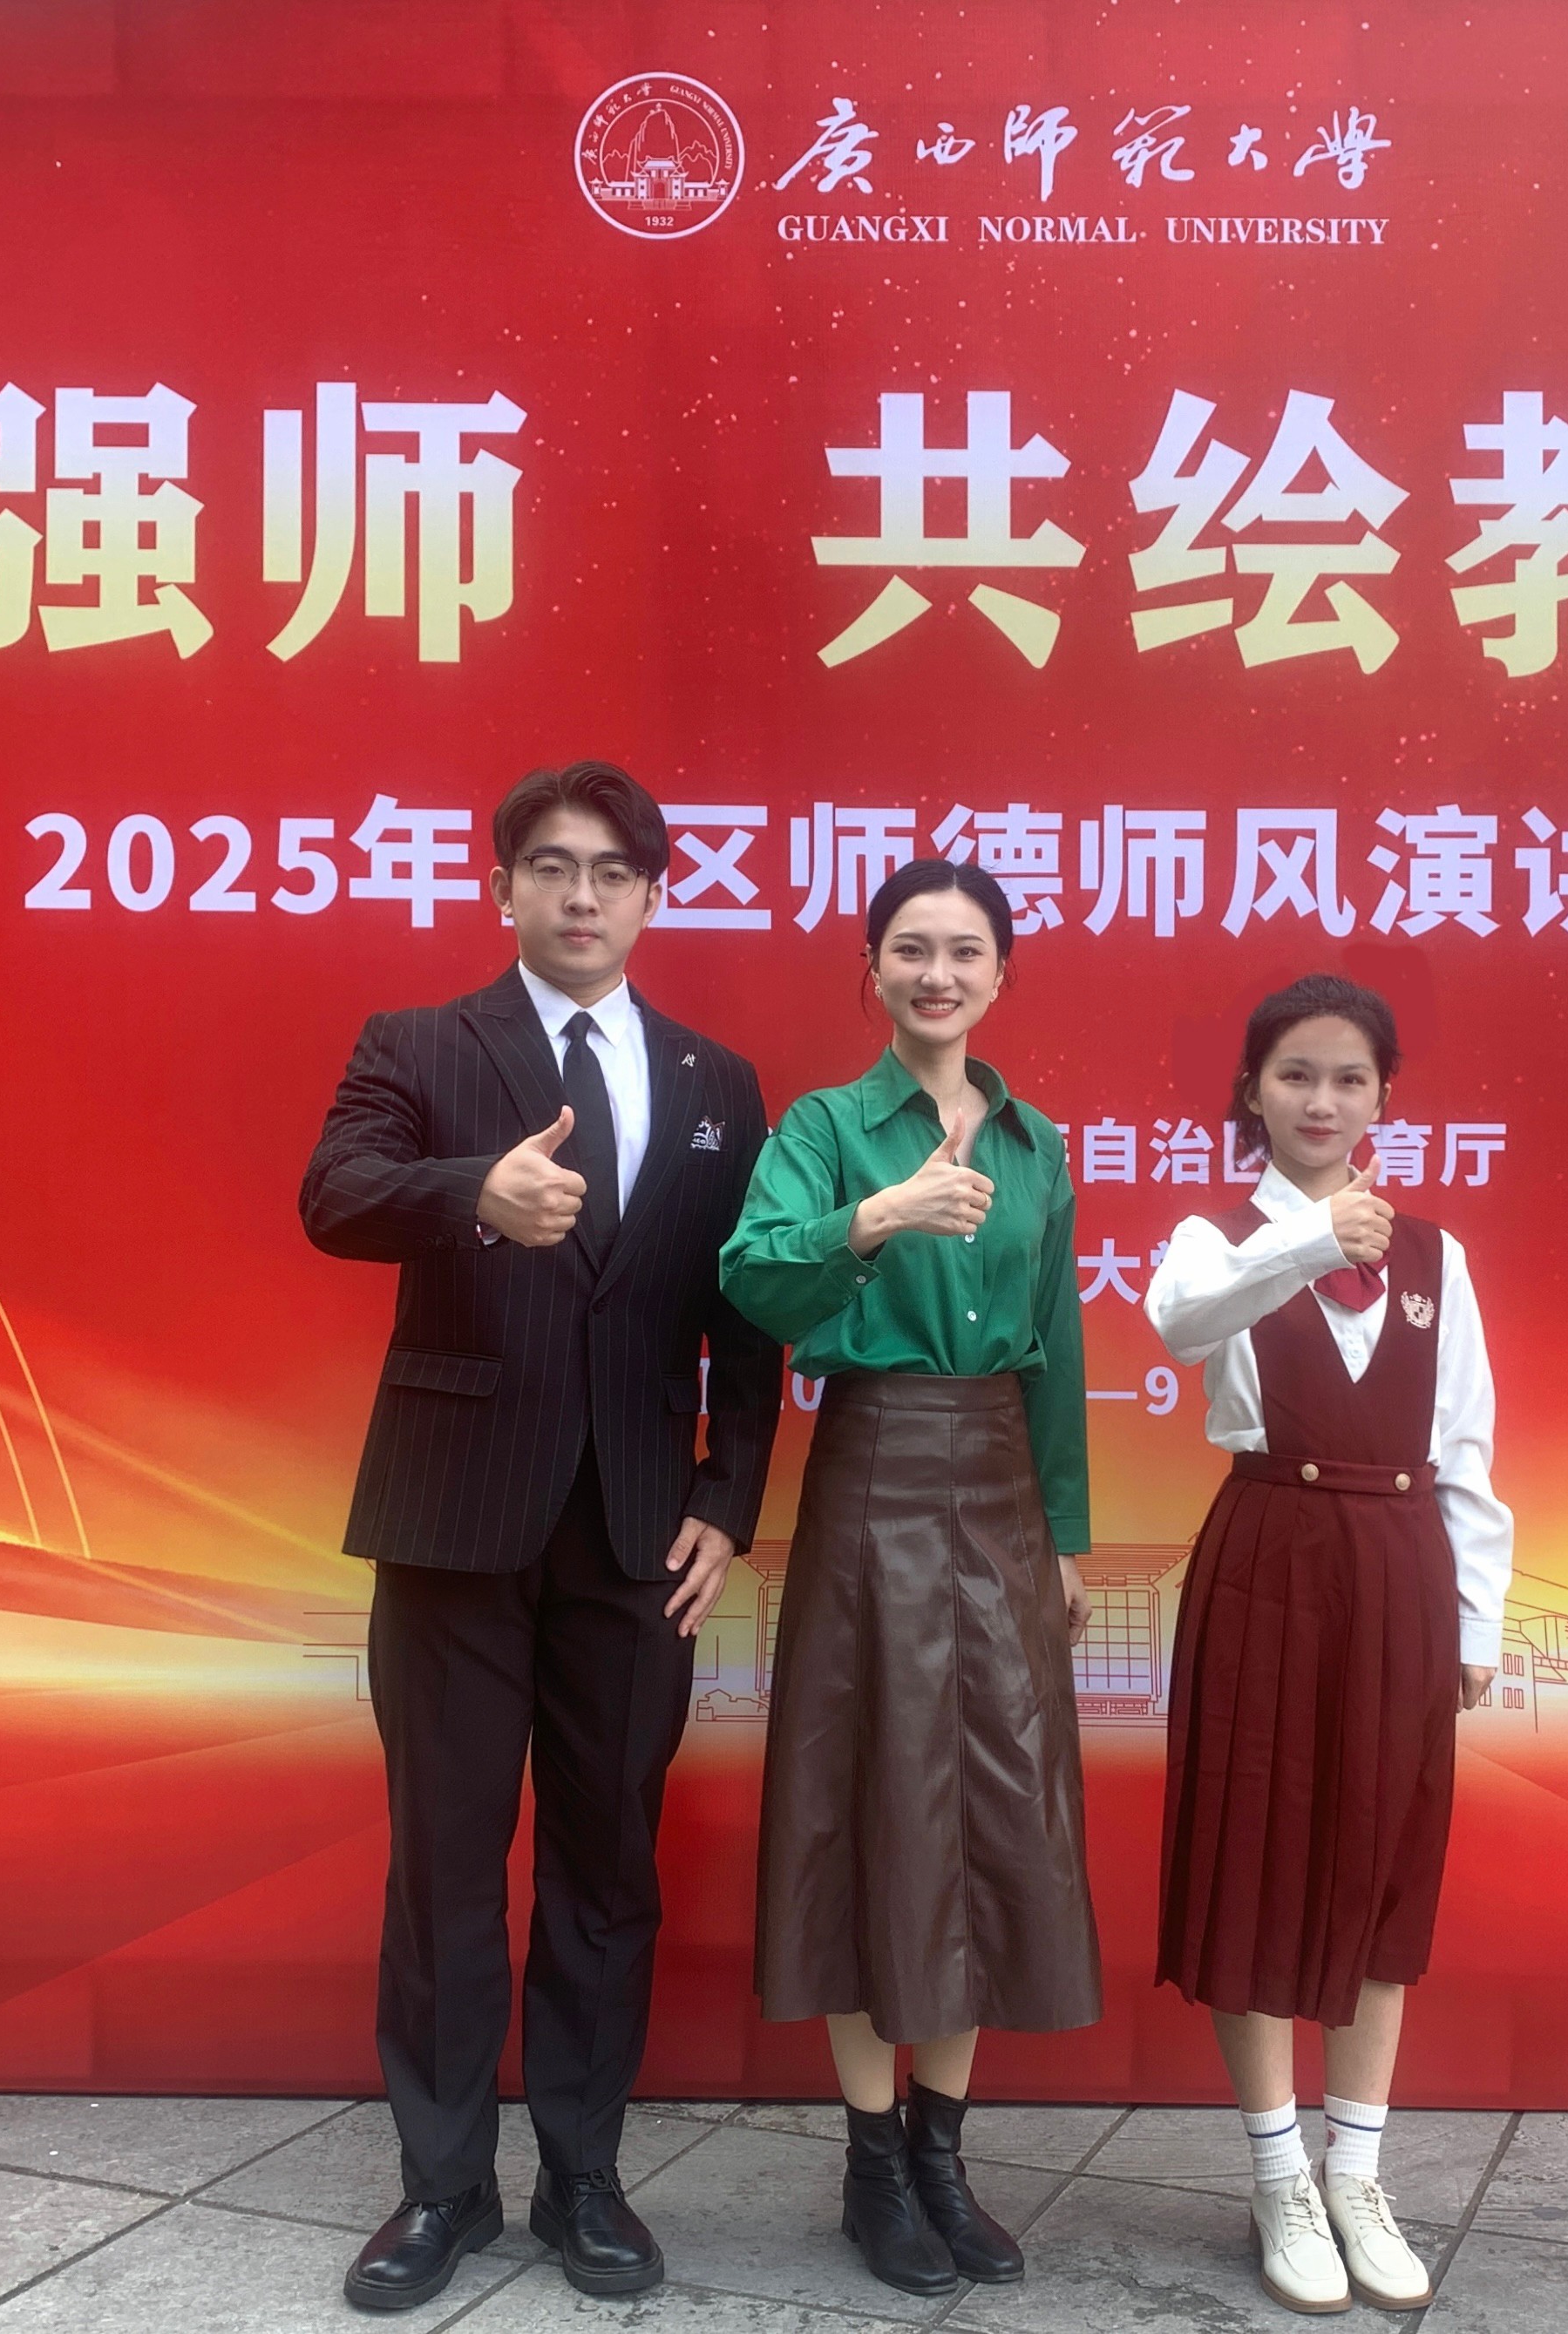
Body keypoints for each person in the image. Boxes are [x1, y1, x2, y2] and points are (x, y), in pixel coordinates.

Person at [299, 759, 784, 2312]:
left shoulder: (716, 1080)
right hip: (454, 1519)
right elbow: (334, 1193)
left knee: (604, 1867)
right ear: (500, 883)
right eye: (554, 866)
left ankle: (583, 2174)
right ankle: (441, 2187)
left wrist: (726, 1499)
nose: (583, 896)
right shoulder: (419, 1043)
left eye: (613, 872)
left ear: (652, 895)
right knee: (444, 1865)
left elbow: (746, 1310)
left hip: (638, 1537)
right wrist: (471, 1191)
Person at [717, 857, 1102, 2298]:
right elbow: (753, 1275)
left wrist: (1064, 1532)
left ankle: (943, 2155)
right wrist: (874, 1217)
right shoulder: (824, 1127)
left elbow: (1057, 1348)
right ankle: (871, 2166)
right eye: (910, 949)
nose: (937, 974)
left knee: (993, 1813)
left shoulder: (1036, 1144)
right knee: (870, 1800)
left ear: (1001, 973)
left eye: (964, 951)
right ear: (871, 969)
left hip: (999, 1481)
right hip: (873, 1465)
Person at [1142, 974, 1512, 2316]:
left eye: (1349, 1078)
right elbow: (1179, 1321)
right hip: (1269, 1560)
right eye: (1295, 1074)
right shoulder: (1214, 1238)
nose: (1321, 1100)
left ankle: (1356, 2170)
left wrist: (1474, 1616)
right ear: (1252, 1091)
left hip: (1399, 1566)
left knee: (1378, 1859)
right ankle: (1277, 2173)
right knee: (1255, 1855)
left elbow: (1465, 1444)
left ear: (1382, 1098)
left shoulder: (1435, 1257)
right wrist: (1307, 1240)